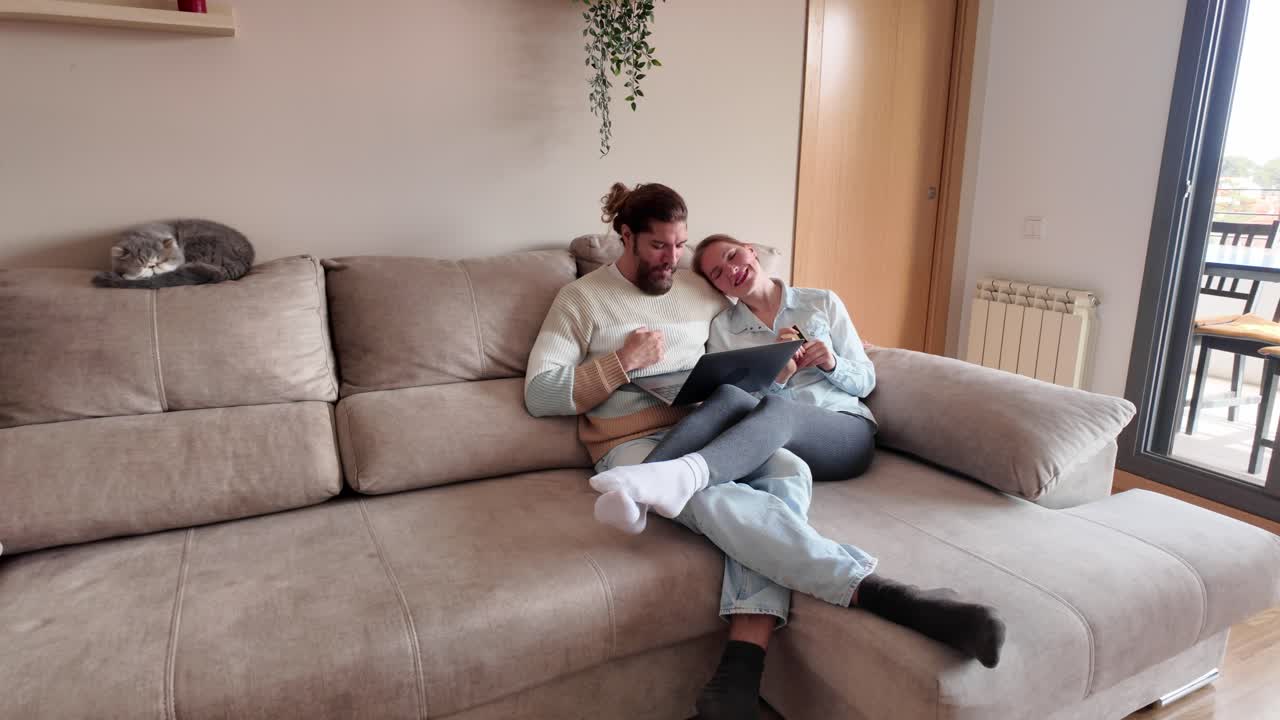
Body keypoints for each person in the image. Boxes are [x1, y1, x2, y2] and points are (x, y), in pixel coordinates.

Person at [526, 183, 1004, 720]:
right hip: (629, 442)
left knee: (789, 468)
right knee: (723, 504)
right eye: (660, 246)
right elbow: (541, 394)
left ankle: (738, 672)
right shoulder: (580, 299)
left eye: (680, 246)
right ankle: (889, 596)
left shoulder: (698, 291)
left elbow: (752, 352)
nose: (673, 260)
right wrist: (621, 362)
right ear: (626, 237)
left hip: (715, 428)